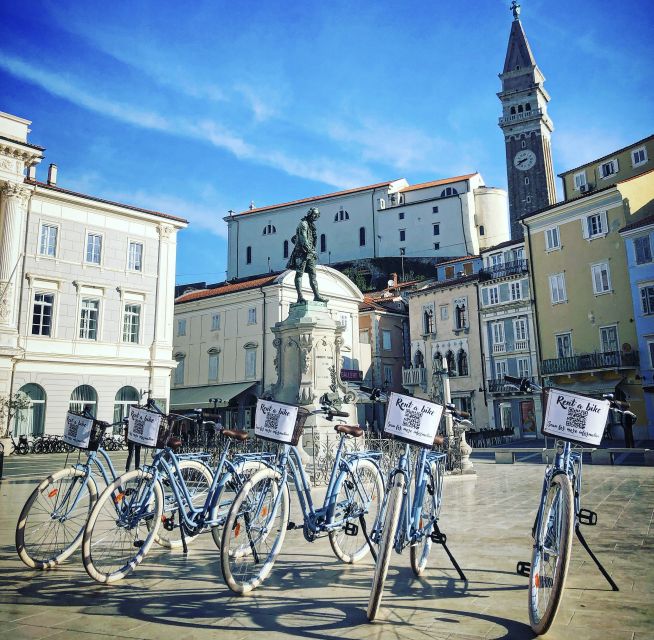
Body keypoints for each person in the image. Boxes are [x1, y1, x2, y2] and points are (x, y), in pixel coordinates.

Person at [287, 207, 328, 303]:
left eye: (317, 215)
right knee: (299, 274)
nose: (315, 217)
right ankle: (300, 296)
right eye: (314, 214)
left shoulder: (311, 226)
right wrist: (309, 249)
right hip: (301, 254)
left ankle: (317, 296)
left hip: (310, 254)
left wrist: (311, 250)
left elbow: (296, 238)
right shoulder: (303, 224)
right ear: (310, 214)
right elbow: (303, 239)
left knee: (313, 275)